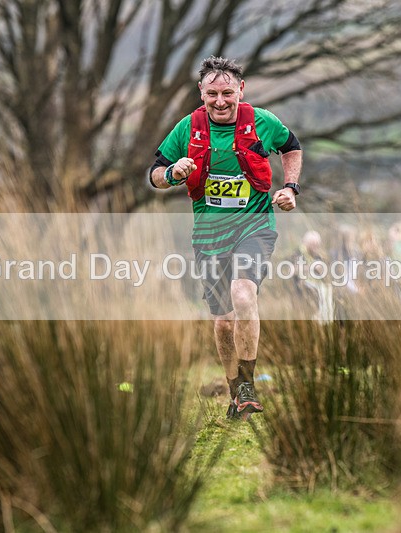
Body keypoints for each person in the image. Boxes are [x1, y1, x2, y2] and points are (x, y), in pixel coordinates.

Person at [149, 56, 303, 420]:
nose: (220, 101)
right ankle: (236, 391)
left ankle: (248, 384)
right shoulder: (187, 128)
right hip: (208, 235)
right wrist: (172, 172)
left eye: (228, 93)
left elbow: (292, 146)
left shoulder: (262, 122)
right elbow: (154, 175)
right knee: (222, 321)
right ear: (201, 92)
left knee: (243, 293)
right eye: (213, 93)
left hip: (254, 227)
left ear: (241, 90)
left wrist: (291, 188)